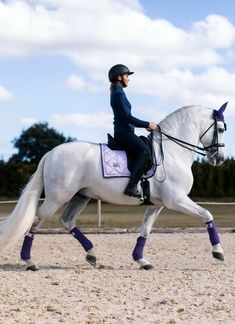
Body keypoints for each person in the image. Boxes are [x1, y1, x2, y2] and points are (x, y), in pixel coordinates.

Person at [108, 64, 157, 198]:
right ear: (119, 77)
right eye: (127, 76)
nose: (129, 79)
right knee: (145, 151)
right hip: (124, 133)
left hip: (125, 131)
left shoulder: (118, 92)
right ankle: (131, 187)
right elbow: (127, 117)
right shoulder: (118, 94)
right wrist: (148, 124)